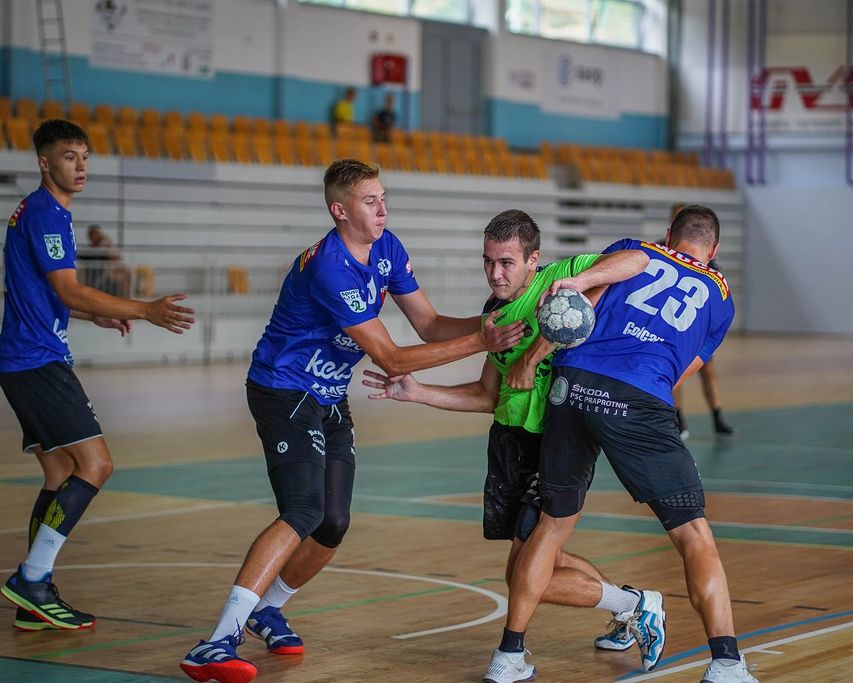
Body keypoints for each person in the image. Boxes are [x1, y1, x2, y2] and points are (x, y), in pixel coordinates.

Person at [179, 159, 524, 683]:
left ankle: (267, 610)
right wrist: (483, 341)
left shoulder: (388, 248)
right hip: (284, 388)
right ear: (340, 210)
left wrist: (500, 318)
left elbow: (430, 325)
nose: (382, 210)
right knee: (303, 510)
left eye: (384, 198)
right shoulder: (330, 268)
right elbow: (393, 358)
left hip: (330, 394)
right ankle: (218, 641)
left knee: (333, 523)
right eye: (370, 201)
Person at [362, 208, 658, 664]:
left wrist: (580, 284)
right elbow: (487, 395)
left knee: (522, 571)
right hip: (510, 442)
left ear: (533, 260)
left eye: (506, 263)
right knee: (543, 561)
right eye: (488, 261)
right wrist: (419, 392)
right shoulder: (494, 314)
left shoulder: (558, 280)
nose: (495, 273)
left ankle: (517, 652)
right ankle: (634, 606)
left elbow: (638, 259)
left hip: (558, 443)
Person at [488, 205, 758, 683]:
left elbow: (574, 315)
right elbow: (683, 371)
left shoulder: (633, 250)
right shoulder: (721, 298)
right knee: (693, 536)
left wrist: (531, 359)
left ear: (669, 234)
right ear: (714, 249)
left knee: (550, 528)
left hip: (573, 385)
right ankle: (726, 662)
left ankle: (509, 656)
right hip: (640, 396)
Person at [0, 119, 195, 632]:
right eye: (70, 156)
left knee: (58, 473)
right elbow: (67, 289)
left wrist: (93, 315)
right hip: (37, 360)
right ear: (44, 162)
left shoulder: (41, 211)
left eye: (85, 156)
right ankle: (32, 579)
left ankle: (32, 597)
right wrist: (145, 309)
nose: (81, 165)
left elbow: (42, 294)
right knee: (96, 465)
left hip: (23, 358)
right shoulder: (47, 213)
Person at [669, 203, 733, 440]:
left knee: (707, 369)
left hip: (696, 325)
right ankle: (678, 418)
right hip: (671, 323)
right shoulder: (663, 247)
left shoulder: (706, 256)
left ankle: (717, 415)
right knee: (674, 371)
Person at [79, 224, 129, 297]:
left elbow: (116, 258)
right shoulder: (88, 252)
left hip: (106, 278)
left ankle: (124, 298)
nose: (95, 237)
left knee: (124, 275)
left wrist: (108, 242)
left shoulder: (104, 250)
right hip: (96, 280)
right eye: (93, 235)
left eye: (98, 234)